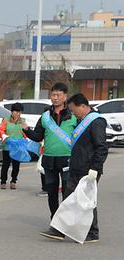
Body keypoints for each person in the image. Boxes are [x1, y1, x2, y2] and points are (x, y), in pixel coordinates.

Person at [24, 82, 76, 237]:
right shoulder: (45, 116)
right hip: (49, 160)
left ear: (65, 96)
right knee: (52, 193)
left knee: (68, 193)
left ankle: (67, 224)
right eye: (53, 95)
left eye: (58, 95)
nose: (55, 98)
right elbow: (38, 136)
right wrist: (26, 130)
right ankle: (55, 223)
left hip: (67, 159)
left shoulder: (73, 115)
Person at [54, 93, 107, 243]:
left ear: (82, 106)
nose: (72, 113)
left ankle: (82, 232)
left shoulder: (96, 122)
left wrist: (95, 167)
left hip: (88, 169)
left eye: (73, 109)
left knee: (84, 201)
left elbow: (101, 147)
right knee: (74, 199)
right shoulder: (81, 121)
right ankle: (64, 230)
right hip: (77, 166)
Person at [0, 102, 27, 189]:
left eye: (19, 112)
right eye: (16, 111)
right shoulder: (5, 120)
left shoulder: (22, 121)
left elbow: (25, 133)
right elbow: (1, 130)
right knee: (6, 164)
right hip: (7, 145)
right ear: (12, 111)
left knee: (16, 164)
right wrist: (5, 137)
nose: (18, 113)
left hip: (18, 146)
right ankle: (3, 181)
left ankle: (13, 181)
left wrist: (25, 140)